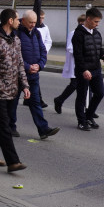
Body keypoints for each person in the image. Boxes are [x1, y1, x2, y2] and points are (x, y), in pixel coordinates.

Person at [0, 8, 30, 172]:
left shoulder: (16, 40)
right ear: (10, 21)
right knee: (4, 126)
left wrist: (25, 85)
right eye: (17, 19)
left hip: (12, 90)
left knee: (1, 124)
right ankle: (13, 161)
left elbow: (20, 64)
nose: (19, 22)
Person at [11, 10, 60, 140]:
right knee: (13, 102)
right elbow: (15, 55)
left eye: (35, 22)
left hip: (33, 75)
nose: (33, 25)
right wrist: (27, 66)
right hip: (18, 75)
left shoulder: (36, 33)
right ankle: (11, 127)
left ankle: (43, 129)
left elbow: (43, 51)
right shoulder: (16, 33)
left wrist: (40, 65)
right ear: (23, 20)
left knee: (36, 102)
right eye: (31, 22)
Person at [72, 8, 104, 131]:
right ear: (88, 19)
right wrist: (84, 70)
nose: (97, 24)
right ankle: (81, 121)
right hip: (83, 71)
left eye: (98, 22)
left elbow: (98, 49)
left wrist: (103, 55)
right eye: (95, 21)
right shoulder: (78, 34)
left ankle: (88, 116)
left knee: (99, 93)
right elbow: (77, 55)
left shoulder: (97, 33)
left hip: (96, 69)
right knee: (82, 96)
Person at [53, 14, 86, 114]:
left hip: (84, 64)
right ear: (81, 23)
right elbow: (70, 47)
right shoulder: (74, 33)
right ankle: (59, 100)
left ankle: (87, 108)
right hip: (75, 64)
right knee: (74, 84)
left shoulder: (88, 33)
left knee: (86, 86)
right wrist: (82, 51)